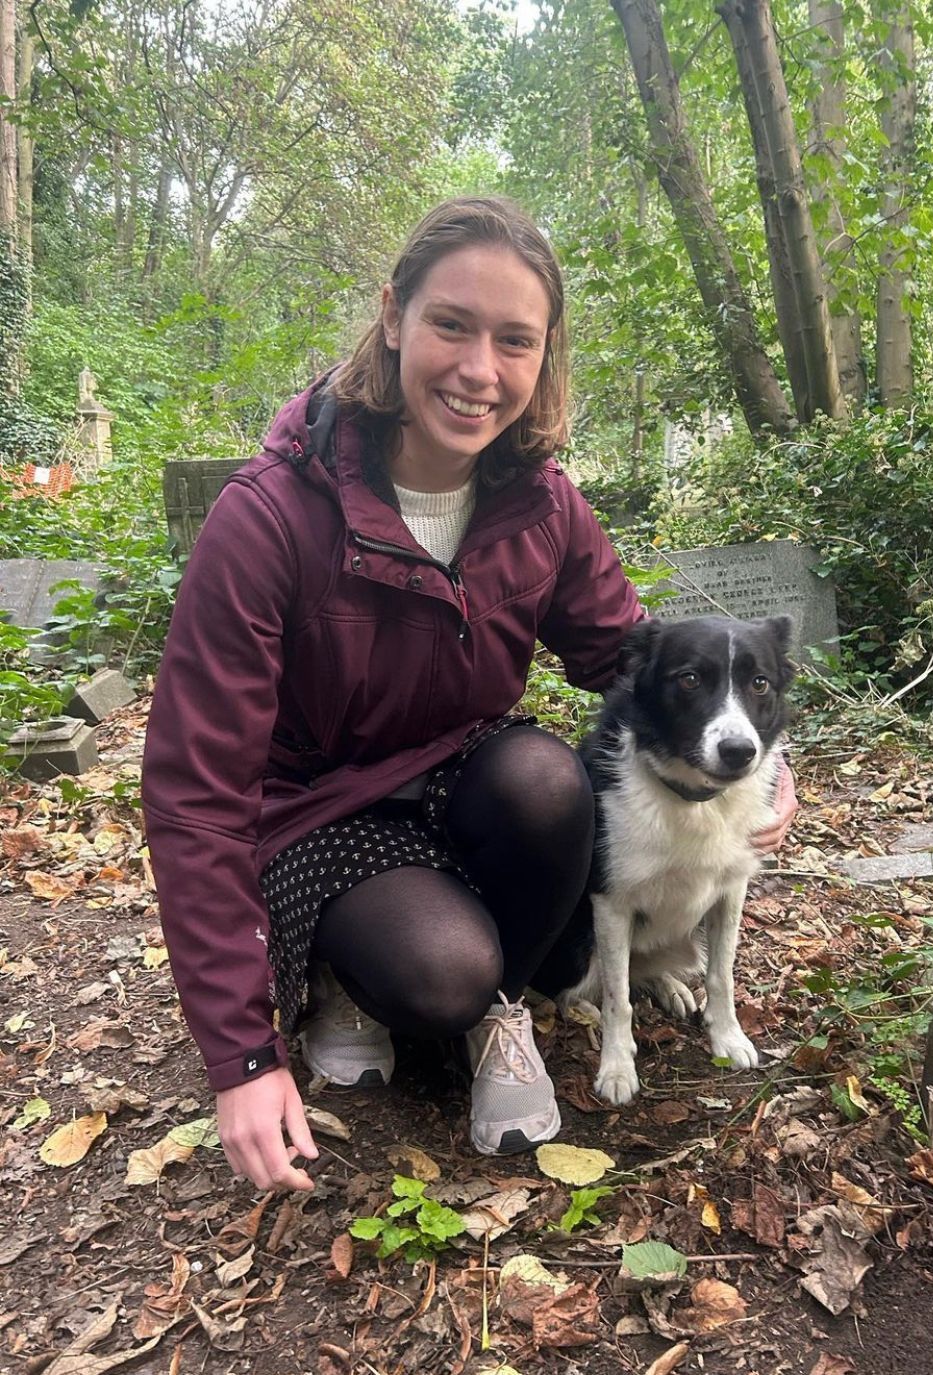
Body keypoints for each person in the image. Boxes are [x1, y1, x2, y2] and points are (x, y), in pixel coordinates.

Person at [141, 196, 797, 1194]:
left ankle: (503, 1009)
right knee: (441, 971)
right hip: (323, 811)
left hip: (459, 787)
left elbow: (632, 654)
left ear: (543, 358)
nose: (479, 370)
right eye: (451, 323)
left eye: (514, 339)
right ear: (394, 315)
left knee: (548, 779)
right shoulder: (271, 516)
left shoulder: (540, 503)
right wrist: (239, 1053)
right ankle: (343, 974)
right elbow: (195, 791)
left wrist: (759, 763)